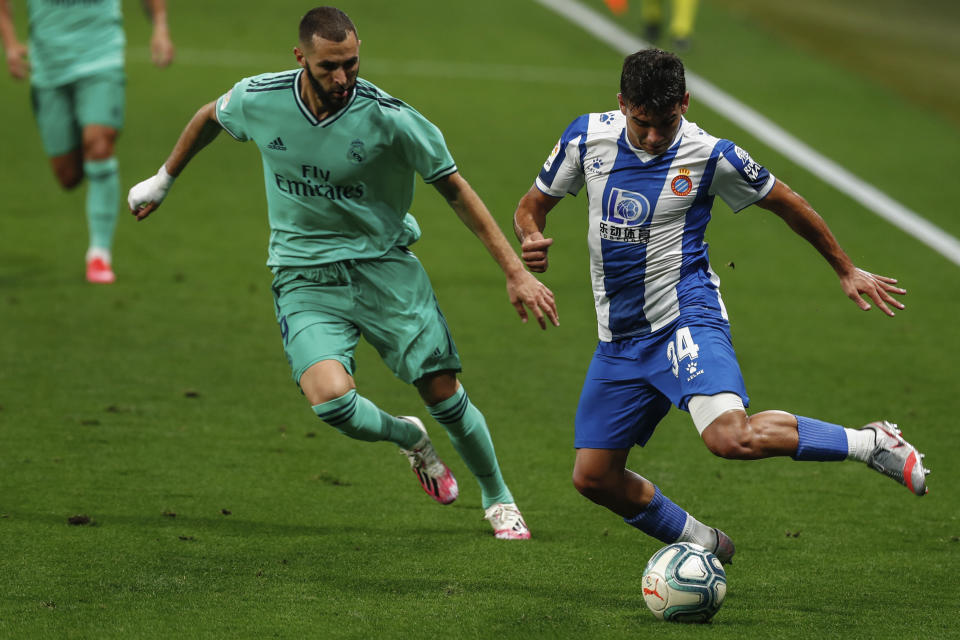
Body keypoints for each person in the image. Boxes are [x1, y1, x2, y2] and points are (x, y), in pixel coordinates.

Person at [127, 6, 559, 540]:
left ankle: (499, 498)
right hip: (303, 276)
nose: (342, 79)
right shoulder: (260, 99)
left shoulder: (391, 119)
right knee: (332, 402)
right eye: (329, 67)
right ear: (300, 58)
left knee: (442, 391)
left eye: (351, 64)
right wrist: (164, 179)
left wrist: (515, 272)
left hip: (384, 269)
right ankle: (408, 438)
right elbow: (208, 117)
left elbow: (455, 189)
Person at [512, 48, 929, 562]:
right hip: (619, 339)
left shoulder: (712, 155)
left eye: (666, 122)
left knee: (730, 438)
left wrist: (845, 268)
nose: (654, 136)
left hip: (685, 317)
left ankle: (873, 443)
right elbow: (531, 206)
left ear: (684, 103)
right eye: (642, 123)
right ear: (622, 104)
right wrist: (531, 236)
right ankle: (705, 544)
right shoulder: (585, 137)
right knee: (594, 477)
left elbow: (787, 202)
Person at [0, 0, 174, 283]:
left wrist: (160, 27)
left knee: (100, 143)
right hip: (48, 67)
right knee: (67, 175)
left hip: (102, 58)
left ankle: (99, 254)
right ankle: (91, 143)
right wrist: (9, 43)